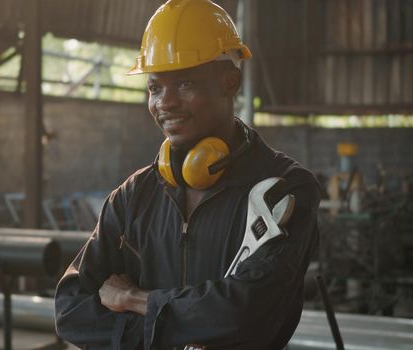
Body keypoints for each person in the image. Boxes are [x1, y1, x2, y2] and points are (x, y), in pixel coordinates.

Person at [54, 0, 320, 349]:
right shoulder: (134, 194)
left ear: (230, 83)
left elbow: (245, 314)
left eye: (184, 84)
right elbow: (70, 309)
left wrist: (137, 300)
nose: (165, 102)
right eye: (154, 87)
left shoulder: (285, 188)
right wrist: (179, 330)